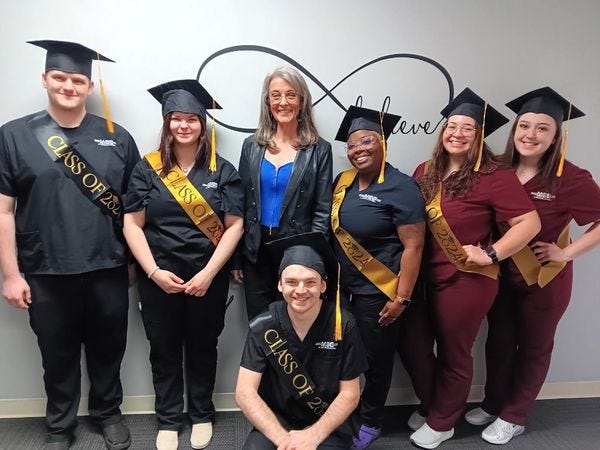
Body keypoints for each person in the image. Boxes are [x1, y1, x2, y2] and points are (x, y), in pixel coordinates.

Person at [0, 40, 140, 450]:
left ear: (90, 87)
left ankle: (107, 413)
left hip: (108, 267)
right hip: (44, 269)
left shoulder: (117, 138)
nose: (68, 86)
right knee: (56, 354)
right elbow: (4, 210)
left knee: (108, 349)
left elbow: (135, 212)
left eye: (78, 80)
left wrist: (134, 264)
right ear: (44, 79)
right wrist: (10, 274)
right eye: (59, 77)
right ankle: (60, 426)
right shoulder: (13, 135)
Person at [464, 87, 600, 445]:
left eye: (543, 128)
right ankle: (494, 403)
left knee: (534, 347)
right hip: (499, 276)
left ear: (556, 137)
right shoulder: (497, 169)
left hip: (543, 280)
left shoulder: (571, 177)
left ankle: (515, 415)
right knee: (498, 342)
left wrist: (566, 254)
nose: (530, 135)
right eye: (524, 125)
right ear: (514, 130)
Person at [408, 88, 542, 449]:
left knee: (454, 353)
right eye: (452, 126)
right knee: (417, 347)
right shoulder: (425, 171)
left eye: (468, 128)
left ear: (479, 136)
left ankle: (443, 422)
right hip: (423, 278)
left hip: (466, 280)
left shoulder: (494, 175)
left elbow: (529, 223)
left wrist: (492, 253)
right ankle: (435, 404)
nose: (458, 133)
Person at [123, 79, 243, 450]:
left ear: (203, 124)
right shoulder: (147, 169)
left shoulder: (222, 170)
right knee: (163, 350)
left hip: (208, 277)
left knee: (203, 347)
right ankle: (169, 419)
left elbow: (235, 226)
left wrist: (208, 273)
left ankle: (202, 414)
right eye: (176, 118)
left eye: (192, 119)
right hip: (158, 276)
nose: (184, 125)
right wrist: (153, 272)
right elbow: (132, 223)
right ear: (167, 123)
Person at [330, 104, 427, 449]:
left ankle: (371, 420)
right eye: (352, 144)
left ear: (383, 142)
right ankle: (346, 411)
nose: (358, 149)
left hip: (379, 291)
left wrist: (402, 297)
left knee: (375, 359)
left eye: (367, 140)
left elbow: (414, 247)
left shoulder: (402, 187)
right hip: (343, 289)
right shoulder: (343, 182)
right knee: (344, 355)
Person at [235, 231, 368, 450]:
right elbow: (244, 392)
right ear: (280, 285)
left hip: (327, 421)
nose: (300, 290)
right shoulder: (264, 325)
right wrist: (285, 441)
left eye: (310, 282)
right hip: (277, 421)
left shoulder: (343, 324)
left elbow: (350, 394)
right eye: (291, 282)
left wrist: (312, 436)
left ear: (323, 286)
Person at [237, 66, 333, 320]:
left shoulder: (319, 150)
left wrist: (311, 257)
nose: (283, 102)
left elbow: (322, 210)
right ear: (267, 101)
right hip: (255, 250)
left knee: (294, 323)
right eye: (275, 95)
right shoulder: (251, 146)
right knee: (259, 323)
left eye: (291, 95)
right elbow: (241, 204)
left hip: (297, 248)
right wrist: (238, 257)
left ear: (302, 101)